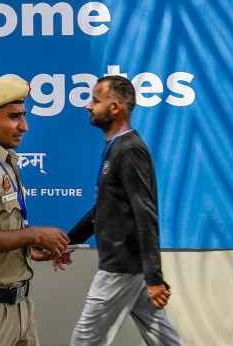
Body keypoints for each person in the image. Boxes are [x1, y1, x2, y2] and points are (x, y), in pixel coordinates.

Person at [66, 76, 184, 346]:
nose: (89, 106)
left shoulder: (130, 150)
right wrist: (69, 241)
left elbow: (145, 214)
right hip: (131, 267)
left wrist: (154, 277)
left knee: (85, 340)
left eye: (95, 100)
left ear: (115, 107)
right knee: (162, 337)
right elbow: (104, 209)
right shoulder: (115, 147)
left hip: (120, 268)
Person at [0, 75, 70, 346]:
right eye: (14, 117)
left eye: (24, 116)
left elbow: (4, 230)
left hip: (20, 306)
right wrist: (34, 236)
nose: (24, 126)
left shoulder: (5, 161)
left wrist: (28, 248)